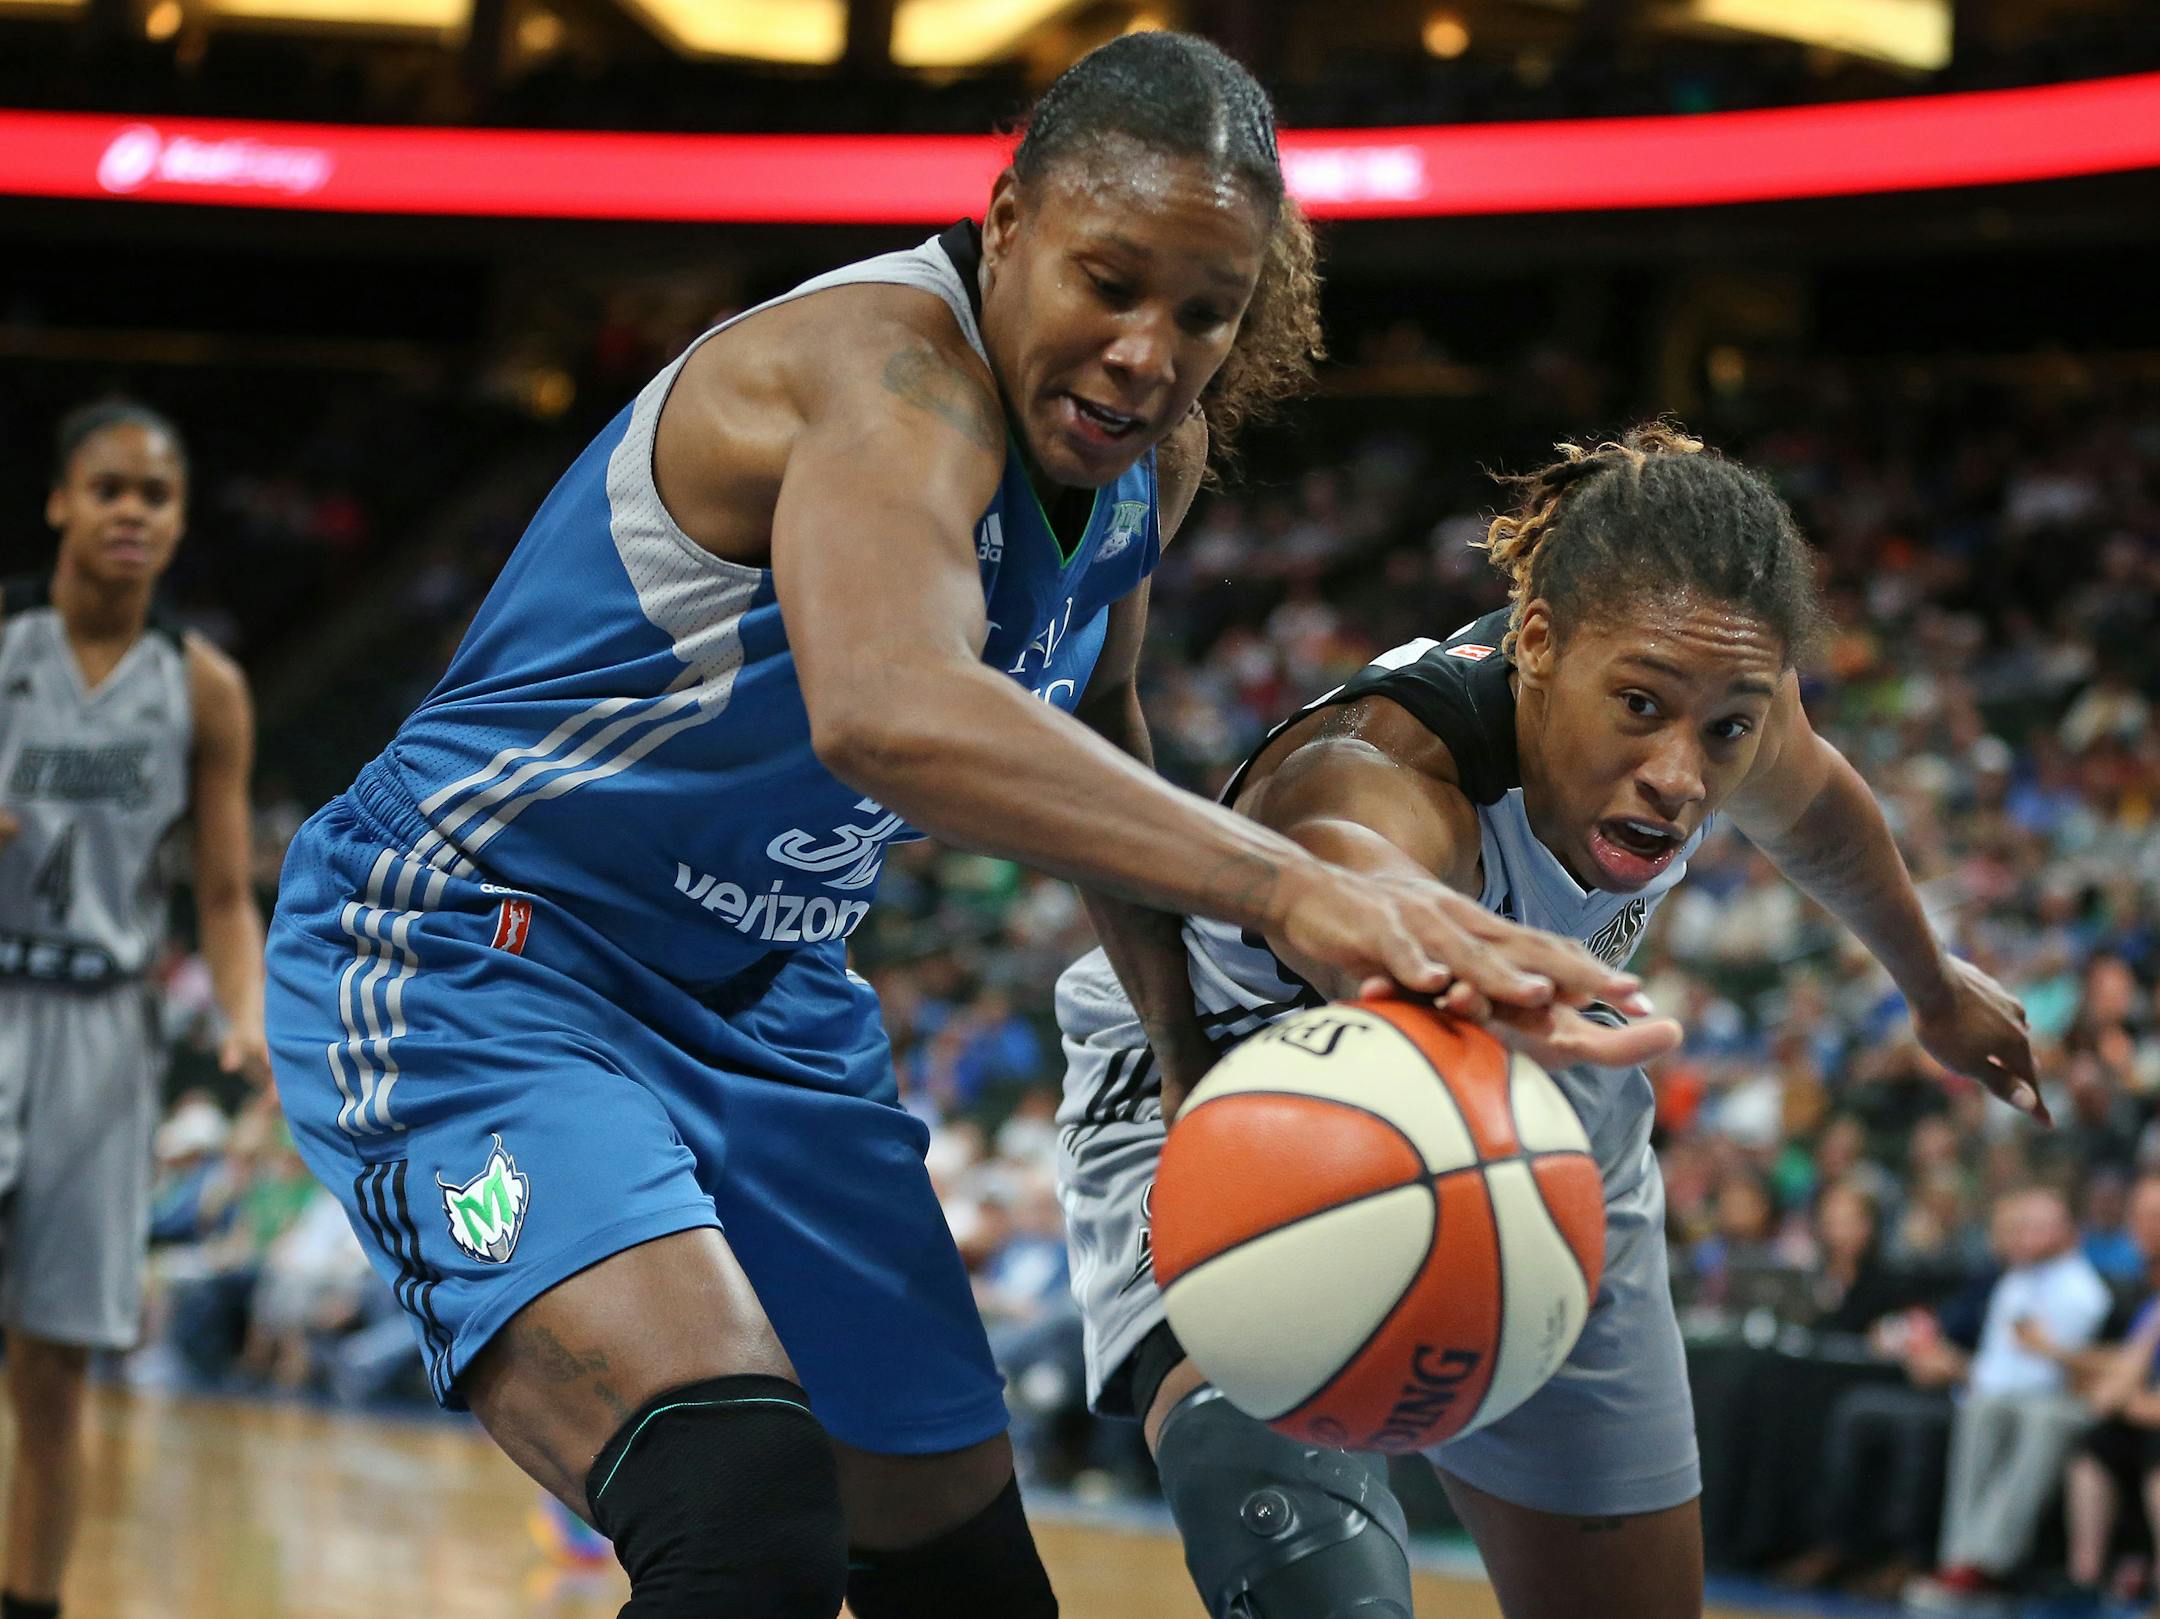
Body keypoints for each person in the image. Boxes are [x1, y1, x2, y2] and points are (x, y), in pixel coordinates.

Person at [260, 34, 1657, 1619]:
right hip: (477, 947)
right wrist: (1290, 888)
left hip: (771, 1005)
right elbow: (886, 706)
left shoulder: (1151, 459)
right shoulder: (886, 373)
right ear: (1004, 225)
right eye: (1109, 282)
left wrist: (1198, 1059)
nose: (1148, 353)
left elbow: (1093, 726)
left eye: (1204, 312)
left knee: (971, 1582)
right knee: (742, 1520)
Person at [1055, 422, 2047, 1619]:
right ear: (1535, 642)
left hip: (1538, 1105)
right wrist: (1459, 950)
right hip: (1233, 1088)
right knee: (1320, 1587)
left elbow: (1821, 811)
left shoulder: (1730, 698)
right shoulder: (1382, 760)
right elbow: (1343, 870)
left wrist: (1930, 984)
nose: (1682, 774)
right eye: (1639, 705)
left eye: (1723, 729)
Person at [0, 401, 268, 1619]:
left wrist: (245, 1014)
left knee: (55, 1364)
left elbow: (219, 889)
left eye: (154, 496)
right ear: (59, 500)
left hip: (103, 1029)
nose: (129, 512)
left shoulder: (202, 687)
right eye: (107, 487)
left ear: (177, 522)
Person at [1903, 1185, 2111, 1609]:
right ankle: (1960, 1558)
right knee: (1981, 1408)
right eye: (2023, 1227)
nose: (2027, 1236)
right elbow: (1996, 1366)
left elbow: (2047, 1376)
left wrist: (1974, 1374)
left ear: (2068, 1232)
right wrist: (1957, 1368)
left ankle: (1991, 1562)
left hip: (2061, 1400)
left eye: (2040, 1227)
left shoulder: (2082, 1290)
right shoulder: (2014, 1282)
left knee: (2034, 1418)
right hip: (2008, 1397)